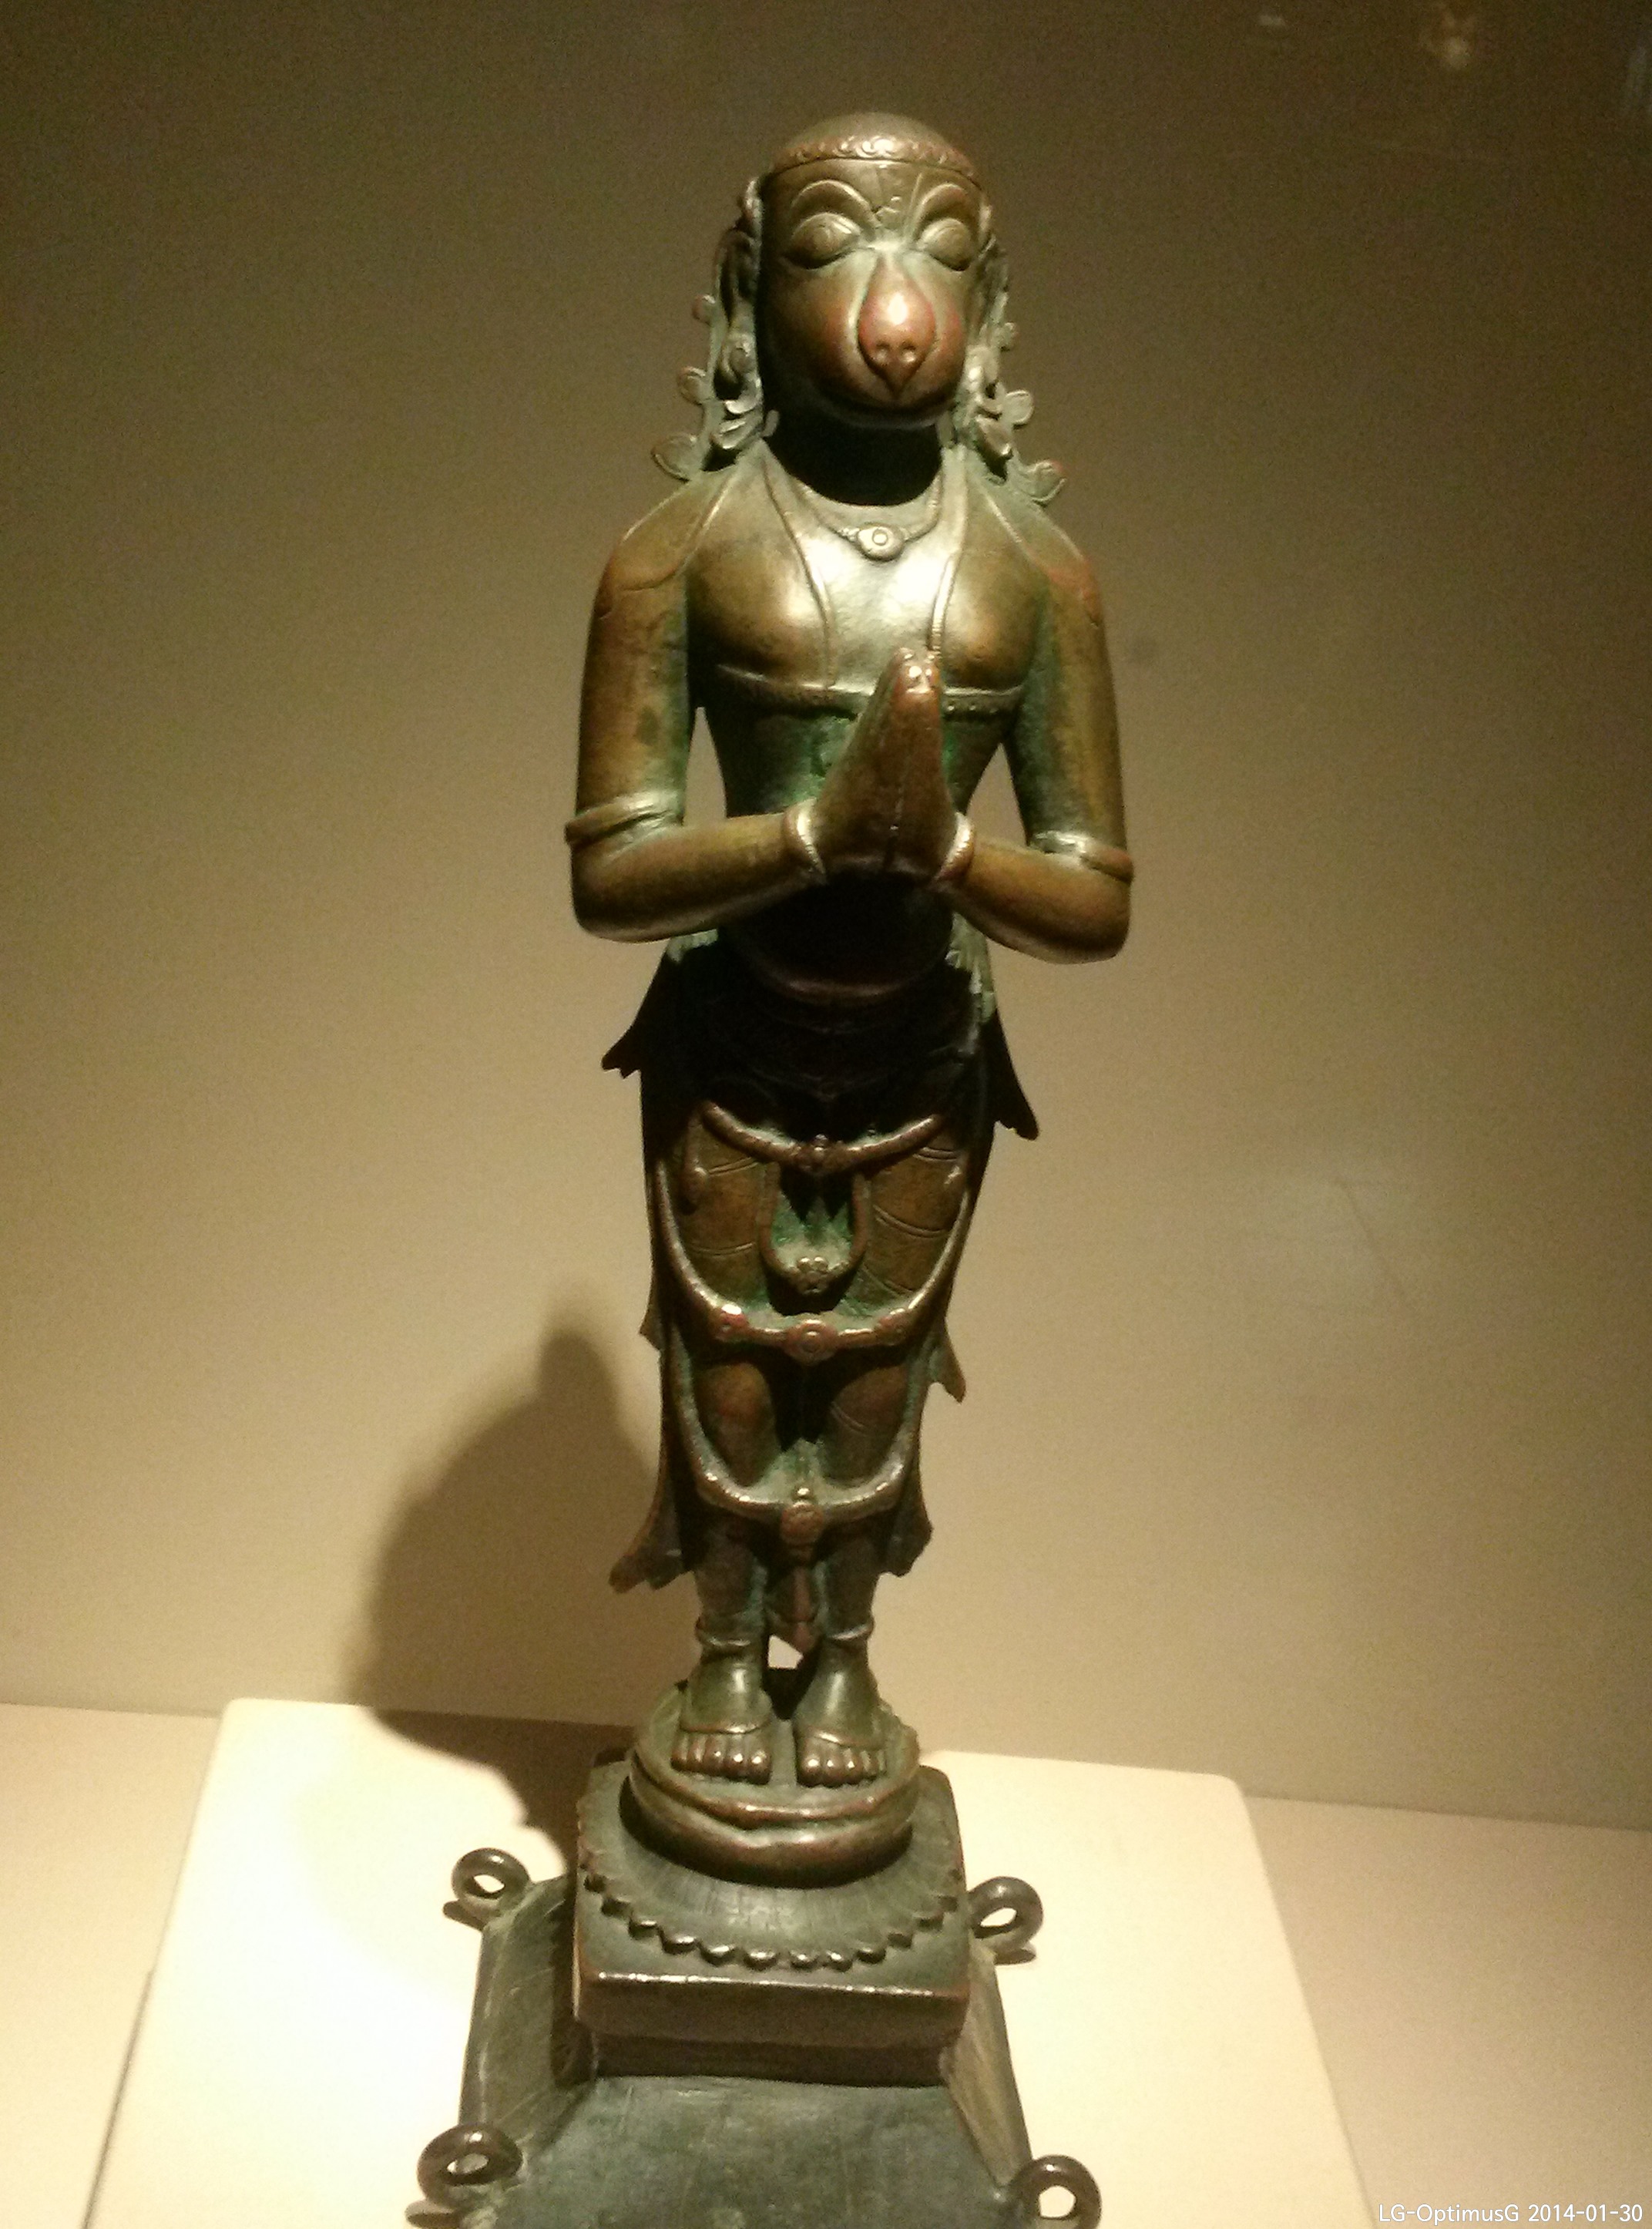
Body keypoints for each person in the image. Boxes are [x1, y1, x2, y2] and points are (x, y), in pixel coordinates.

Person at [569, 113, 1130, 1793]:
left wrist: (947, 853)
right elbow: (612, 871)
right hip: (732, 1039)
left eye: (938, 255)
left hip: (920, 1050)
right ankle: (725, 1653)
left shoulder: (1038, 575)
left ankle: (845, 1666)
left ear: (988, 296)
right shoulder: (675, 552)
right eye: (833, 249)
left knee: (876, 1384)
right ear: (755, 289)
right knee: (731, 1374)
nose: (895, 310)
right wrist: (809, 839)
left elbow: (1095, 895)